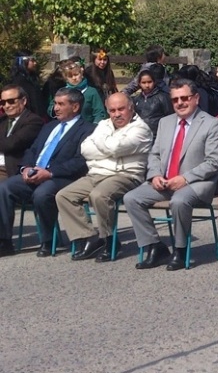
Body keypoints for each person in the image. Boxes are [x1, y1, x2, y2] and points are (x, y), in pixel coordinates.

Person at [123, 79, 218, 270]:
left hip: (197, 183)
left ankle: (180, 249)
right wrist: (154, 175)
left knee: (179, 201)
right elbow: (154, 153)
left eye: (184, 98)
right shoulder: (165, 122)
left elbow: (213, 162)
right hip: (166, 180)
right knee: (131, 198)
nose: (180, 103)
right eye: (175, 99)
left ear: (195, 98)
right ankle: (155, 246)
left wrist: (185, 178)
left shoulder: (211, 124)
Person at [55, 93, 152, 262]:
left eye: (121, 109)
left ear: (131, 107)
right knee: (64, 196)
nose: (116, 114)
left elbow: (116, 147)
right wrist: (109, 147)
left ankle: (109, 240)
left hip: (126, 175)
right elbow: (85, 149)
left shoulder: (141, 129)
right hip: (97, 173)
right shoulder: (103, 124)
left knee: (99, 195)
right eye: (112, 110)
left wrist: (101, 145)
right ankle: (91, 237)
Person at [0, 88, 95, 257]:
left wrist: (50, 172)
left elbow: (80, 161)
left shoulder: (88, 129)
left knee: (42, 194)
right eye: (55, 103)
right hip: (35, 173)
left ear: (75, 107)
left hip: (62, 178)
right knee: (4, 188)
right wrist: (26, 168)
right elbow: (32, 150)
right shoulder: (49, 126)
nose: (55, 108)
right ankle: (5, 241)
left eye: (60, 104)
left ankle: (48, 239)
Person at [0, 86, 43, 182]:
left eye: (11, 101)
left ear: (23, 101)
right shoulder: (3, 121)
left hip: (8, 169)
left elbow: (11, 144)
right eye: (3, 102)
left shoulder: (33, 121)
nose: (6, 106)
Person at [132, 67, 173, 137]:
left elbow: (170, 117)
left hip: (157, 135)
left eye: (149, 82)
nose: (147, 85)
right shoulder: (136, 99)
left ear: (154, 82)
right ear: (139, 83)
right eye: (143, 82)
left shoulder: (163, 97)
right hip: (140, 135)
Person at [9, 51, 47, 119]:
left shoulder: (31, 78)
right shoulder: (19, 81)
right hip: (28, 118)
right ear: (24, 62)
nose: (35, 63)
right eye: (32, 61)